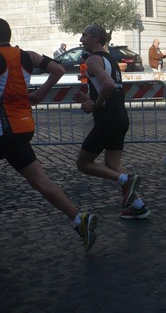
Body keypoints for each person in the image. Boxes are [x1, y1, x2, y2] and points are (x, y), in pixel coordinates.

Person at [0, 18, 97, 252]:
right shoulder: (28, 56)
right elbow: (58, 68)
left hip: (3, 129)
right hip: (21, 127)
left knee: (40, 180)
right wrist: (40, 94)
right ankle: (78, 218)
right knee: (40, 180)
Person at [74, 24, 150, 219]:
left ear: (96, 39)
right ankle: (138, 206)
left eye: (84, 35)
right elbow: (111, 87)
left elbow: (107, 84)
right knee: (112, 163)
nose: (81, 39)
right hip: (120, 118)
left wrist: (96, 105)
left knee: (83, 163)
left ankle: (126, 179)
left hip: (107, 120)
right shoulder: (111, 60)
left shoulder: (92, 60)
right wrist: (89, 99)